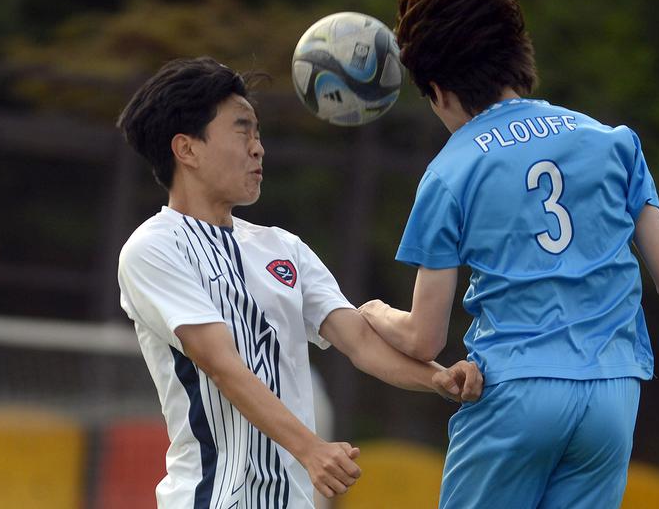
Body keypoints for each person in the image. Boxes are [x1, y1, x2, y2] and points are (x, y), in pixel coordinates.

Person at [357, 0, 659, 509]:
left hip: (515, 394)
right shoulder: (612, 142)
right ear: (514, 56)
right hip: (612, 397)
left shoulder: (451, 169)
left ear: (440, 91)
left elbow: (425, 338)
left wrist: (373, 314)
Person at [115, 57, 483, 509]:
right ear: (187, 150)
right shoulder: (152, 249)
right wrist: (311, 449)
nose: (258, 148)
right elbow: (222, 365)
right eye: (242, 130)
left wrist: (439, 378)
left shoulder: (283, 248)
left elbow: (361, 343)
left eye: (258, 133)